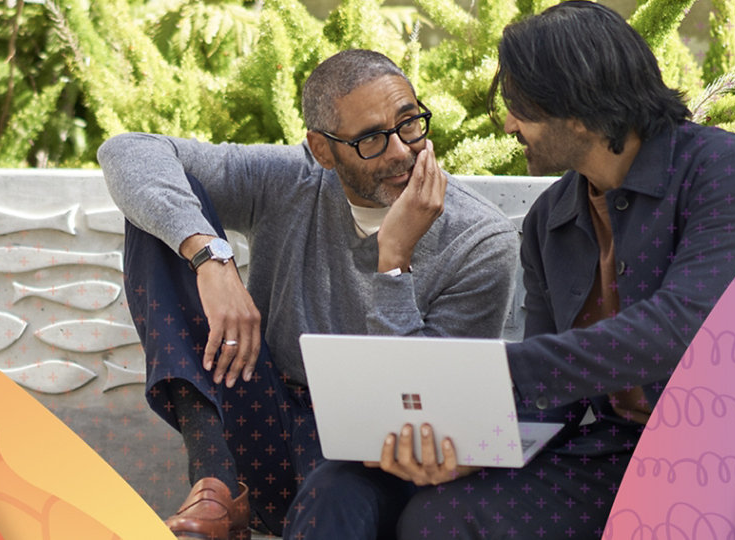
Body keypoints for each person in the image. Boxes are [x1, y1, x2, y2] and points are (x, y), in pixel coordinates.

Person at [388, 2, 735, 538]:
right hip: (614, 452)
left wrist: (494, 372)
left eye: (518, 106)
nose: (508, 123)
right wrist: (475, 449)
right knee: (437, 519)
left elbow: (677, 332)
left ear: (576, 108)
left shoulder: (724, 173)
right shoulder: (549, 220)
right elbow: (551, 399)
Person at [97, 49, 519, 540]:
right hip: (260, 430)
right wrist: (211, 258)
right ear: (322, 150)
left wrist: (394, 260)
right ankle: (216, 487)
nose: (403, 150)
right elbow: (129, 151)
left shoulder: (479, 239)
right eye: (371, 140)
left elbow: (424, 413)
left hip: (373, 465)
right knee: (160, 219)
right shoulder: (293, 178)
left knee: (338, 492)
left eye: (409, 124)